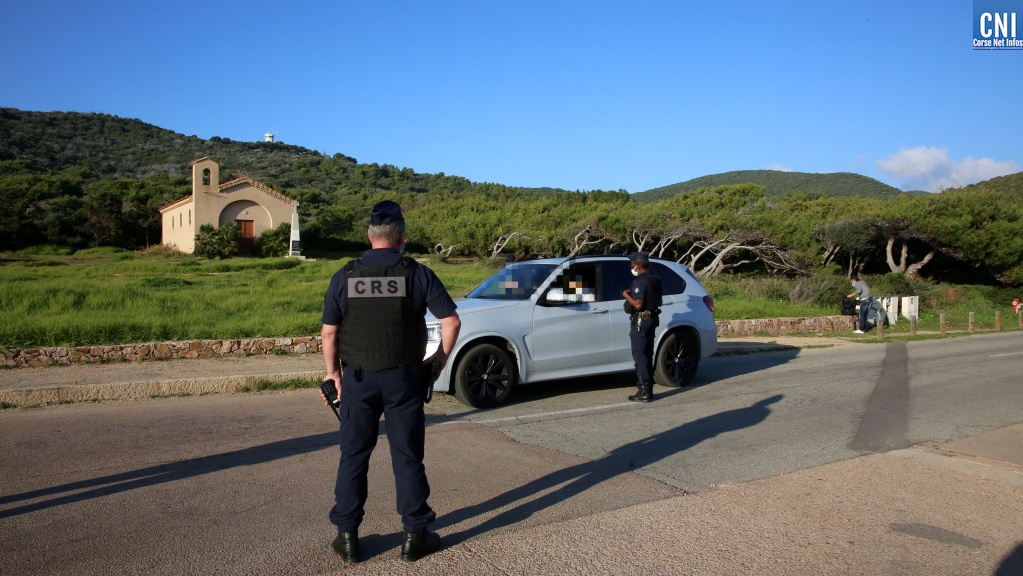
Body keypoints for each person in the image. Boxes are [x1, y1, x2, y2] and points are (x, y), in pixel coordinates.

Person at [320, 200, 461, 564]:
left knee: (353, 456)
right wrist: (439, 361)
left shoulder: (345, 275)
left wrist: (333, 375)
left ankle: (347, 537)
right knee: (407, 455)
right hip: (404, 380)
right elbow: (451, 322)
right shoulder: (417, 273)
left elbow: (329, 333)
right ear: (401, 238)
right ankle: (415, 535)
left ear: (370, 236)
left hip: (358, 379)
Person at [621, 252, 662, 402]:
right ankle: (648, 389)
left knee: (640, 356)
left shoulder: (640, 281)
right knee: (647, 355)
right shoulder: (655, 279)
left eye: (632, 264)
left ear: (638, 265)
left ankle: (644, 391)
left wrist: (626, 295)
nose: (630, 267)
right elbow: (659, 301)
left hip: (641, 321)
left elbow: (638, 304)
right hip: (651, 319)